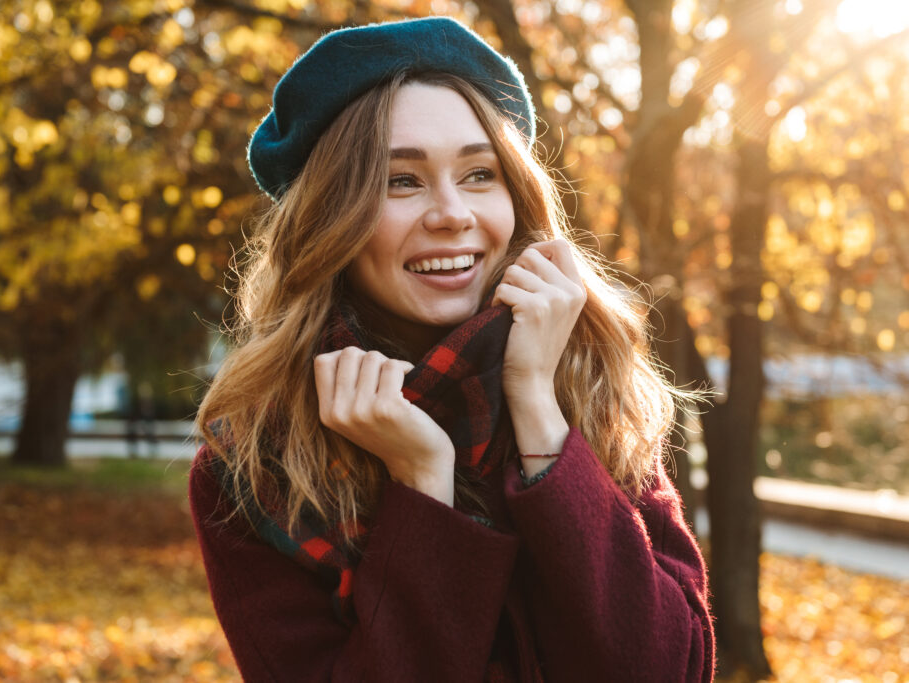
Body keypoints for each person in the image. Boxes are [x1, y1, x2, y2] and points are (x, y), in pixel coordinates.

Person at [189, 16, 714, 683]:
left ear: (516, 199)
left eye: (478, 174)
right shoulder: (254, 463)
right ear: (329, 220)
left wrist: (539, 416)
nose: (451, 214)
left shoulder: (593, 385)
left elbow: (668, 670)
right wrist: (424, 488)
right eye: (400, 181)